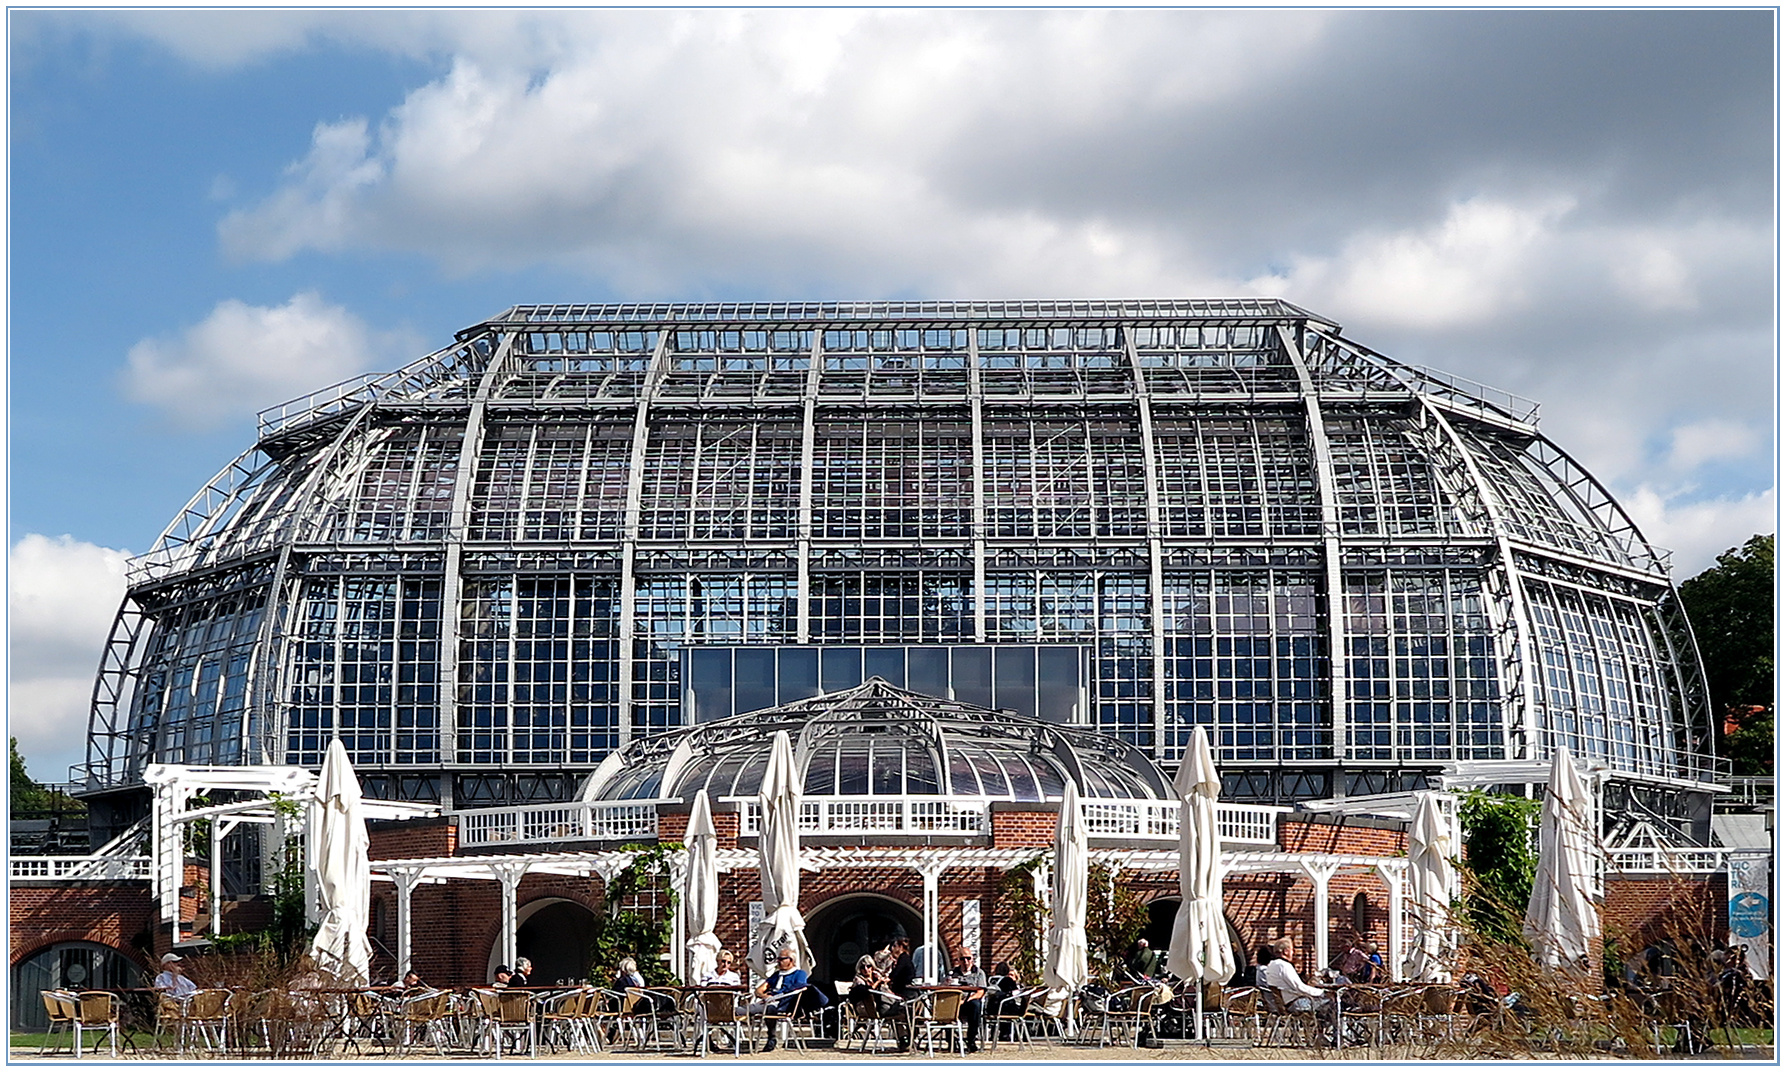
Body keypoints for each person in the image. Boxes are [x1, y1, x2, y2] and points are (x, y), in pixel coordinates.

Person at [749, 947, 811, 1052]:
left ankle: (771, 1037)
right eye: (778, 959)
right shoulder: (776, 975)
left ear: (790, 960)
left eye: (781, 959)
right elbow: (759, 990)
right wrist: (766, 996)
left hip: (785, 1004)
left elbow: (799, 988)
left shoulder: (799, 974)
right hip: (769, 1001)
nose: (778, 962)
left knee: (768, 1008)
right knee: (745, 1010)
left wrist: (778, 996)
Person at [1257, 938, 1334, 1022]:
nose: (1293, 953)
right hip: (1295, 1004)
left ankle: (1318, 1030)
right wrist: (1321, 992)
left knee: (1324, 1005)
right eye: (1292, 950)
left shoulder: (1271, 965)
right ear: (1286, 951)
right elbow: (1299, 986)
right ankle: (1334, 1033)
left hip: (1283, 1004)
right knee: (1333, 1003)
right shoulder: (1284, 966)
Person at [949, 948, 988, 1053]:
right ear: (958, 960)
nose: (966, 961)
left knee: (976, 1005)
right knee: (946, 1006)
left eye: (968, 958)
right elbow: (946, 988)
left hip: (969, 1002)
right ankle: (951, 1040)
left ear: (972, 959)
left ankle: (971, 1039)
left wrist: (965, 1001)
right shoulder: (953, 973)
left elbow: (980, 992)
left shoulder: (979, 973)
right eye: (962, 959)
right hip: (955, 1002)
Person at [886, 936, 919, 1051]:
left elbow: (895, 974)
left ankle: (905, 1037)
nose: (892, 948)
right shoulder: (904, 958)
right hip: (906, 994)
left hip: (905, 996)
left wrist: (887, 979)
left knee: (892, 1012)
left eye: (894, 946)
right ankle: (906, 1036)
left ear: (900, 947)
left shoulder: (903, 958)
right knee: (898, 1014)